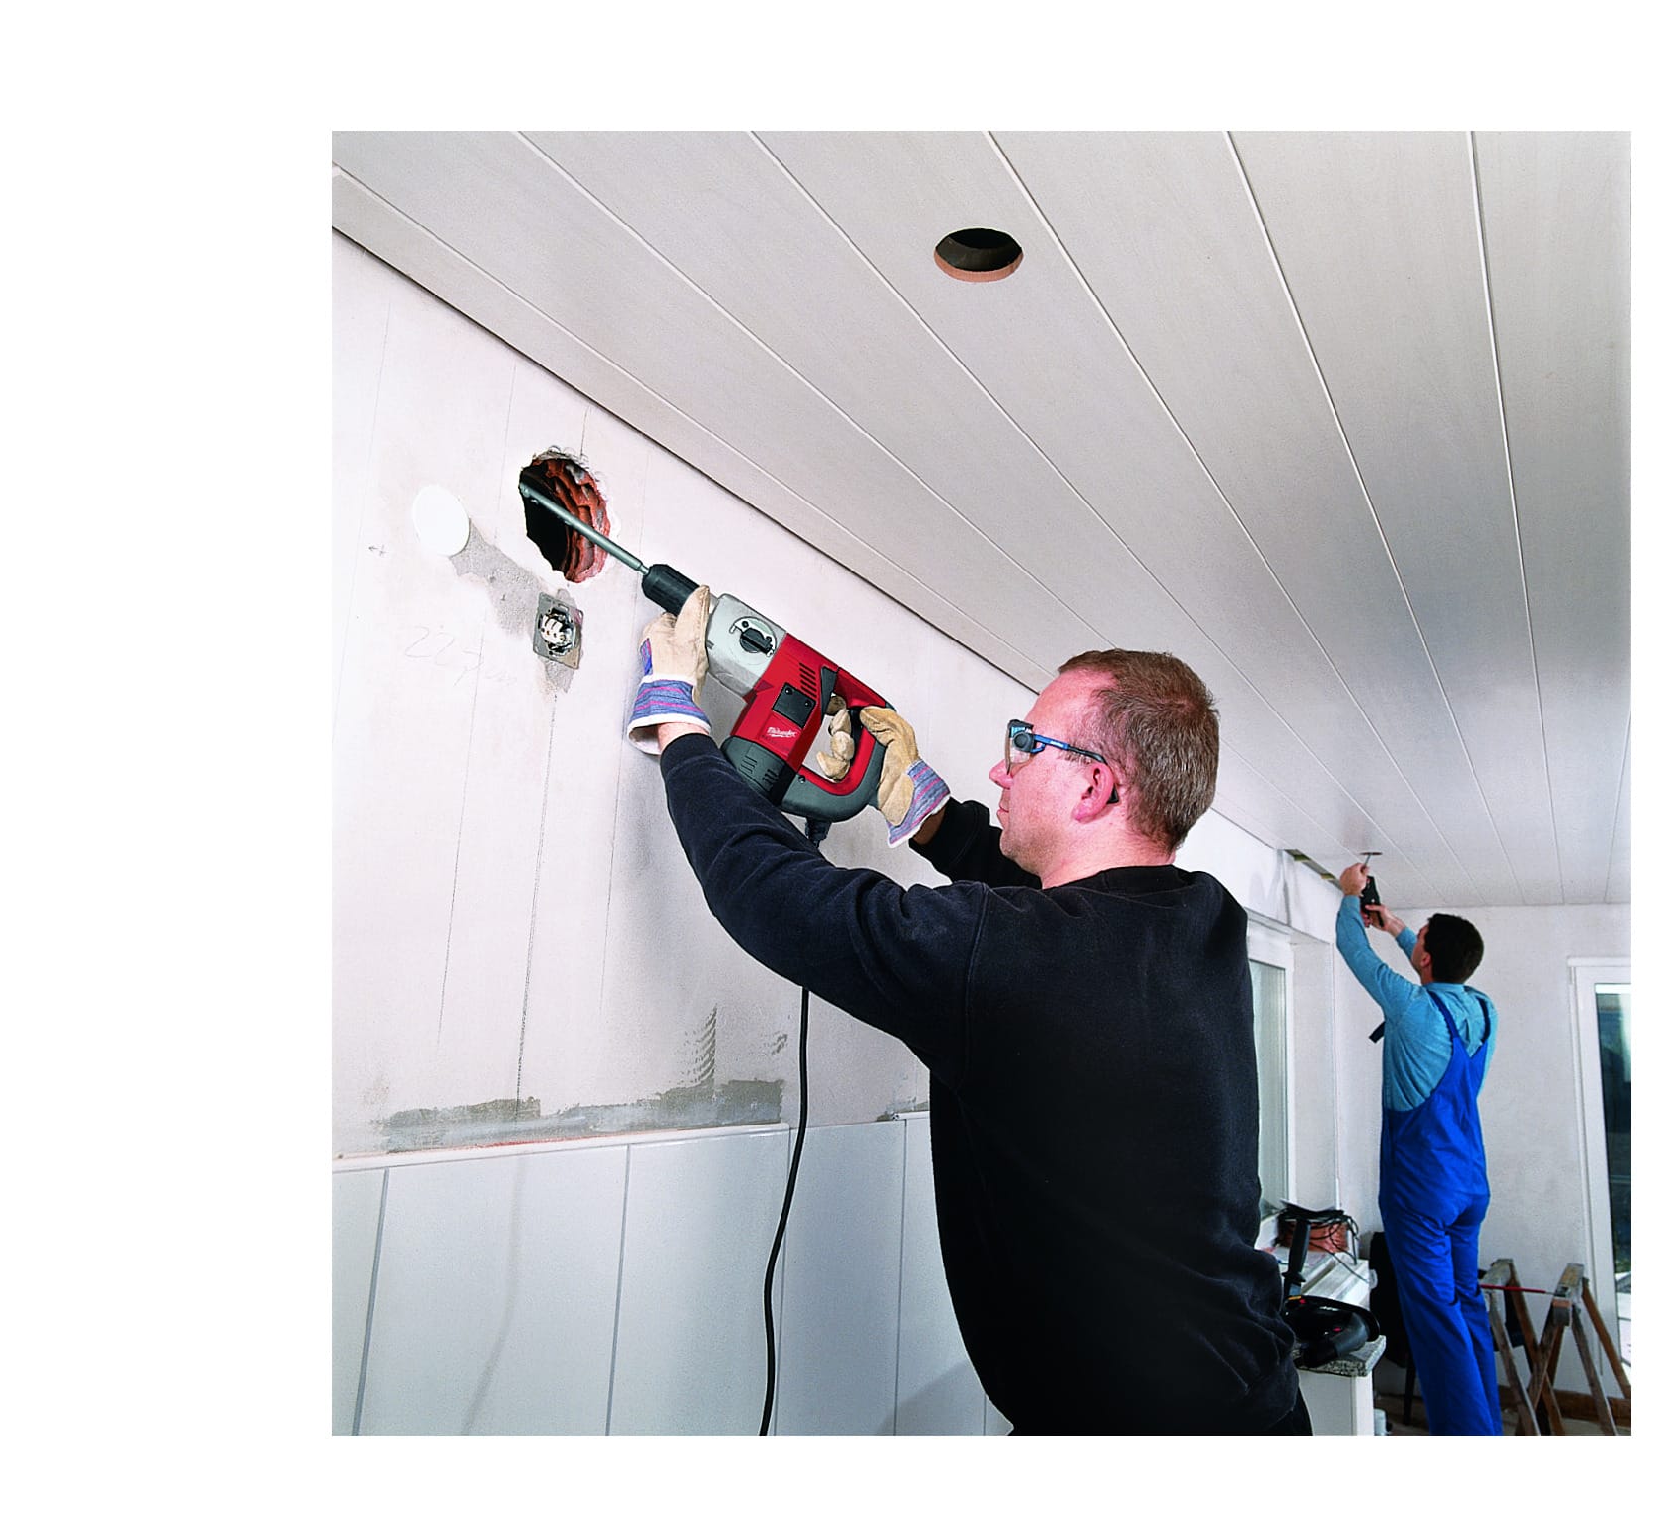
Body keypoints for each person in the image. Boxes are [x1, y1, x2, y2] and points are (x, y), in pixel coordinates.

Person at [631, 590, 1306, 1435]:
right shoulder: (1203, 918)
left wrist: (679, 724)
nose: (1001, 768)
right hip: (1253, 1402)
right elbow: (1065, 911)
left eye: (1026, 743)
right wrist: (928, 815)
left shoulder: (1022, 959)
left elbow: (772, 895)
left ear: (1095, 785)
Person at [1333, 870, 1501, 1436]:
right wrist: (1400, 929)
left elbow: (1352, 948)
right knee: (1466, 1305)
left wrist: (1350, 894)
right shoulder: (1483, 1010)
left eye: (1420, 941)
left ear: (1425, 959)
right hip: (1469, 1185)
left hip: (1421, 1193)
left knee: (1435, 1320)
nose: (1415, 944)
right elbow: (1435, 971)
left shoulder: (1411, 1007)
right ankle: (1487, 1429)